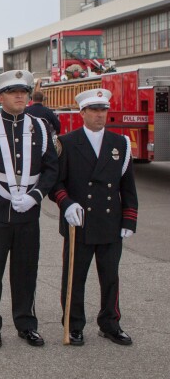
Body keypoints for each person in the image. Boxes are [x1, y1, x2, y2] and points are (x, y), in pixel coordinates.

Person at [0, 70, 58, 348]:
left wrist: (36, 195)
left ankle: (26, 323)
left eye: (24, 91)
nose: (21, 96)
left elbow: (51, 168)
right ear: (0, 96)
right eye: (13, 92)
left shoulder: (41, 127)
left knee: (26, 270)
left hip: (28, 211)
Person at [50, 88, 138, 346]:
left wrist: (129, 219)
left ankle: (110, 323)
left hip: (110, 222)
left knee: (110, 277)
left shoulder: (120, 143)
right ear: (82, 113)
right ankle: (74, 324)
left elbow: (127, 185)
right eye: (95, 110)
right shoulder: (66, 142)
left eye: (104, 110)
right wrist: (66, 204)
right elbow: (56, 184)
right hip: (80, 223)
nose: (100, 115)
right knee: (75, 277)